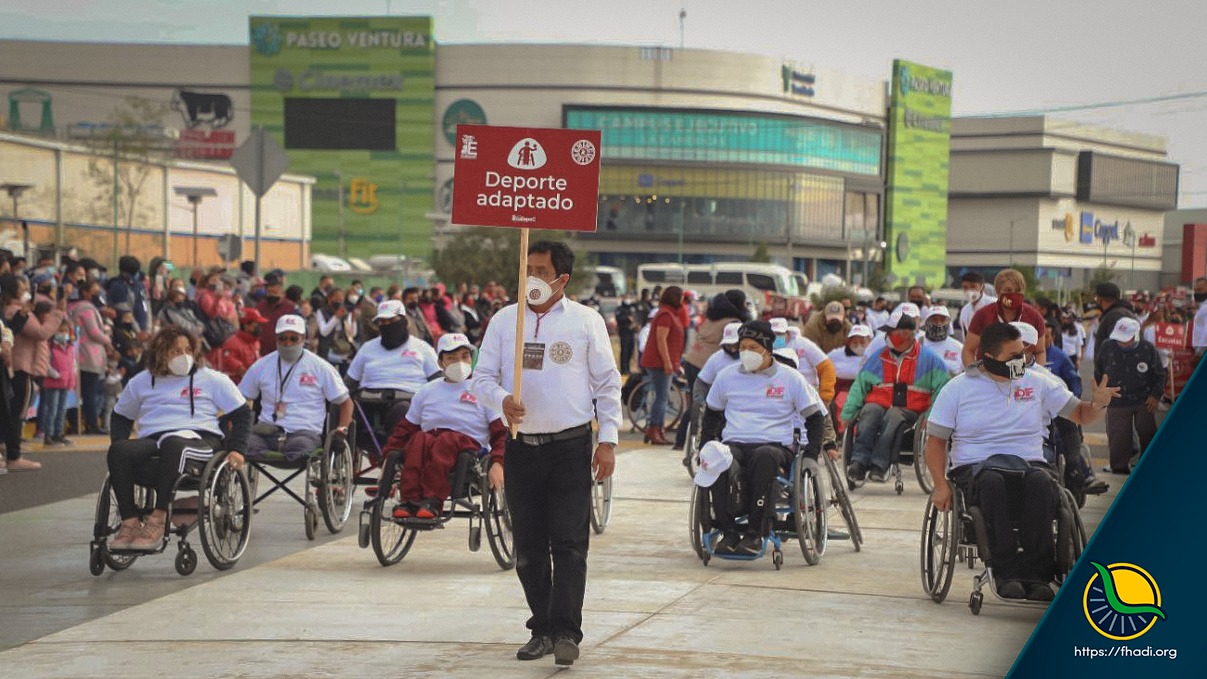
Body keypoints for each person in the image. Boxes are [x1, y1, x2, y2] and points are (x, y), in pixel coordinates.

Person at [471, 240, 621, 668]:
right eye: (527, 269)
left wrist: (607, 440)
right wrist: (501, 399)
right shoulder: (504, 321)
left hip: (571, 446)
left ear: (562, 279)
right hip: (521, 446)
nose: (532, 278)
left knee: (570, 544)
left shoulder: (585, 322)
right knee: (529, 547)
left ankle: (568, 632)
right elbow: (480, 378)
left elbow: (607, 385)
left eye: (540, 270)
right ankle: (542, 628)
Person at [926, 322, 1118, 600]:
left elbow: (1080, 415)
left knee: (1042, 483)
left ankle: (1038, 573)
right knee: (992, 483)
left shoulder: (1038, 381)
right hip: (976, 467)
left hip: (1028, 463)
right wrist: (940, 485)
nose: (1022, 361)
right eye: (1013, 356)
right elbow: (935, 443)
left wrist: (1098, 404)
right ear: (989, 358)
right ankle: (1005, 571)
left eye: (1023, 354)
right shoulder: (957, 389)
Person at [106, 326, 251, 552]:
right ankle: (130, 522)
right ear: (160, 353)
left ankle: (158, 518)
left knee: (174, 444)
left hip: (200, 439)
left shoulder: (212, 379)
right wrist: (119, 443)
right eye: (175, 351)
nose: (184, 356)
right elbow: (120, 416)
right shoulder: (141, 381)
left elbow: (242, 414)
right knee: (119, 451)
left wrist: (238, 449)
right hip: (155, 440)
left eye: (188, 350)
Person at [696, 320, 828, 555]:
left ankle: (757, 532)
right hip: (735, 443)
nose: (746, 353)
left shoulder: (790, 378)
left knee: (764, 457)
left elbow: (815, 418)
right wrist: (706, 446)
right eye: (742, 347)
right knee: (718, 458)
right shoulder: (727, 376)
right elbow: (712, 415)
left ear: (768, 349)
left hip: (775, 445)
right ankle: (729, 531)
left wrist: (811, 454)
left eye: (753, 348)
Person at [382, 333, 507, 519]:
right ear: (441, 363)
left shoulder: (483, 390)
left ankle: (433, 501)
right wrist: (388, 457)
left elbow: (501, 432)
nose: (459, 362)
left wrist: (498, 463)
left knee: (446, 440)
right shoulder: (426, 391)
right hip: (431, 439)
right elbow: (405, 429)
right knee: (417, 439)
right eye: (451, 358)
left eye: (464, 356)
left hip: (468, 445)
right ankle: (410, 500)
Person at [842, 305, 950, 483]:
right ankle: (858, 462)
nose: (886, 336)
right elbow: (859, 387)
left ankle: (879, 465)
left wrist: (932, 418)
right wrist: (847, 414)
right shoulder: (878, 357)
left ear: (906, 334)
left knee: (894, 415)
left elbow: (942, 390)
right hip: (878, 404)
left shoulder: (930, 360)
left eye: (891, 332)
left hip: (910, 410)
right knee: (869, 412)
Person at [240, 314, 352, 462]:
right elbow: (240, 398)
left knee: (301, 448)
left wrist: (341, 430)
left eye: (294, 339)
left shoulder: (320, 367)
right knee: (242, 444)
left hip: (305, 432)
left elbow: (346, 402)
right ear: (276, 338)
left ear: (303, 338)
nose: (287, 344)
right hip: (267, 431)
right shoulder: (261, 365)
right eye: (282, 338)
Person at [345, 300, 441, 434]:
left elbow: (438, 381)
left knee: (402, 411)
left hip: (408, 401)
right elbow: (349, 383)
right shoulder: (367, 348)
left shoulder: (422, 348)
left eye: (391, 321)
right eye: (383, 322)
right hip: (369, 402)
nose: (387, 326)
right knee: (343, 406)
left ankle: (394, 450)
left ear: (404, 321)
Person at [2, 273, 67, 470]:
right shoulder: (17, 311)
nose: (27, 292)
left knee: (8, 412)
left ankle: (8, 450)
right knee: (17, 413)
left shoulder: (8, 311)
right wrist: (58, 313)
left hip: (12, 367)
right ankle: (14, 456)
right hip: (22, 367)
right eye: (23, 288)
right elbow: (41, 333)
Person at [1094, 317, 1165, 475]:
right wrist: (1102, 391)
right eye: (1119, 339)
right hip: (1117, 399)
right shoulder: (1107, 347)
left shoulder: (1148, 349)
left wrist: (1155, 395)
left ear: (1136, 336)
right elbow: (1099, 370)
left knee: (1147, 431)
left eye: (1125, 340)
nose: (1121, 343)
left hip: (1143, 399)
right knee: (1118, 436)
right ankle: (1119, 468)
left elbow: (1160, 375)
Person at [961, 269, 1047, 367]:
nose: (1013, 294)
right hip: (989, 376)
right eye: (1008, 290)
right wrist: (977, 376)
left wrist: (1035, 377)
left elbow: (1040, 352)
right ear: (997, 291)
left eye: (1018, 290)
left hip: (1023, 376)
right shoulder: (983, 315)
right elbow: (968, 350)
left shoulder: (1034, 316)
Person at [638, 286, 686, 446]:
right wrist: (667, 362)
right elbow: (661, 340)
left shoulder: (670, 313)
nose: (682, 300)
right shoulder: (666, 315)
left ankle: (656, 430)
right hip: (659, 363)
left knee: (662, 397)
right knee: (662, 398)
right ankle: (654, 430)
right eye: (681, 297)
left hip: (663, 361)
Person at [69, 278, 113, 434]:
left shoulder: (73, 307)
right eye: (94, 292)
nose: (97, 295)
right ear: (85, 292)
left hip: (78, 355)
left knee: (79, 393)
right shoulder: (86, 309)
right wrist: (107, 336)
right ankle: (91, 423)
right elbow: (94, 332)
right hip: (88, 356)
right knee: (89, 393)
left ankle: (76, 423)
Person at [42, 319, 78, 446]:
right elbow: (46, 364)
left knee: (62, 409)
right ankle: (49, 435)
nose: (64, 333)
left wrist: (72, 379)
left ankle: (58, 433)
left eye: (65, 331)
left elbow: (73, 364)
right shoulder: (50, 346)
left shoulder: (70, 346)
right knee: (52, 409)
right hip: (53, 382)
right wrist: (56, 375)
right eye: (60, 331)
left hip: (66, 383)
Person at [209, 307, 267, 385]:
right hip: (237, 385)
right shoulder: (232, 343)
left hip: (253, 384)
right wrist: (243, 371)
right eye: (256, 324)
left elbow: (257, 358)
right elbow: (230, 361)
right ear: (246, 325)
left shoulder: (255, 342)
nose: (259, 328)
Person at [783, 323, 835, 404]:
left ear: (788, 333)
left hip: (809, 395)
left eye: (780, 334)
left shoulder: (803, 344)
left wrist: (825, 395)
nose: (777, 337)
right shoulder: (765, 347)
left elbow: (826, 366)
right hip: (780, 397)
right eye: (774, 334)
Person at [312, 287, 358, 373]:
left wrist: (353, 322)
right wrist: (336, 317)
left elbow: (352, 334)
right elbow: (324, 332)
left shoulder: (345, 312)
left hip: (343, 350)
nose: (339, 301)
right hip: (327, 350)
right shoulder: (321, 312)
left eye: (341, 299)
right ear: (329, 298)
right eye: (336, 299)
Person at [1091, 282, 1136, 358]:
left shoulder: (1114, 316)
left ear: (1100, 299)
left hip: (1116, 367)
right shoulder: (1124, 312)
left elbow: (1116, 346)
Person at [254, 279, 297, 357]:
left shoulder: (291, 308)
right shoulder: (260, 306)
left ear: (282, 294)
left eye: (274, 292)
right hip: (263, 351)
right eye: (269, 293)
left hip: (283, 351)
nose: (271, 295)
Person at [105, 255, 148, 332]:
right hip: (128, 330)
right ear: (124, 272)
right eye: (134, 273)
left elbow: (146, 304)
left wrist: (148, 329)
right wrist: (138, 331)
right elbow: (126, 312)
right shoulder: (117, 286)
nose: (137, 275)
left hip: (144, 328)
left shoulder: (139, 285)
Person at [920, 306, 964, 376]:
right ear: (926, 323)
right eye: (934, 320)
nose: (938, 323)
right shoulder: (916, 345)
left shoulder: (959, 348)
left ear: (948, 322)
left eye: (942, 320)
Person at [956, 271, 996, 342]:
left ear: (982, 287)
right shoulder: (965, 310)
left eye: (973, 286)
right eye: (965, 287)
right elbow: (966, 339)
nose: (969, 290)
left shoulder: (994, 304)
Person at [614, 294, 638, 375]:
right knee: (625, 351)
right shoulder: (619, 309)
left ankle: (628, 368)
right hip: (624, 332)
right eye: (626, 298)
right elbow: (618, 319)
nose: (628, 299)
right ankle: (624, 369)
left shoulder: (632, 308)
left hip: (631, 332)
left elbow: (636, 316)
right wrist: (627, 318)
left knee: (631, 350)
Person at [1193, 277, 1207, 364]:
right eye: (1195, 289)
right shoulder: (1202, 306)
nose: (1197, 292)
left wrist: (1199, 353)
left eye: (1200, 289)